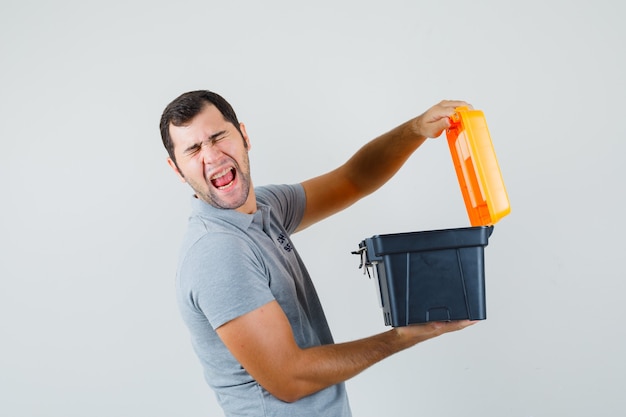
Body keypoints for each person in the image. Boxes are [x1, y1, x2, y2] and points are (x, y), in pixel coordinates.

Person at [160, 90, 476, 416]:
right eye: (193, 149)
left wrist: (416, 129)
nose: (211, 156)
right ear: (176, 169)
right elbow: (289, 378)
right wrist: (401, 338)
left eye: (217, 137)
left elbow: (353, 179)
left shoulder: (266, 208)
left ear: (244, 136)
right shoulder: (217, 251)